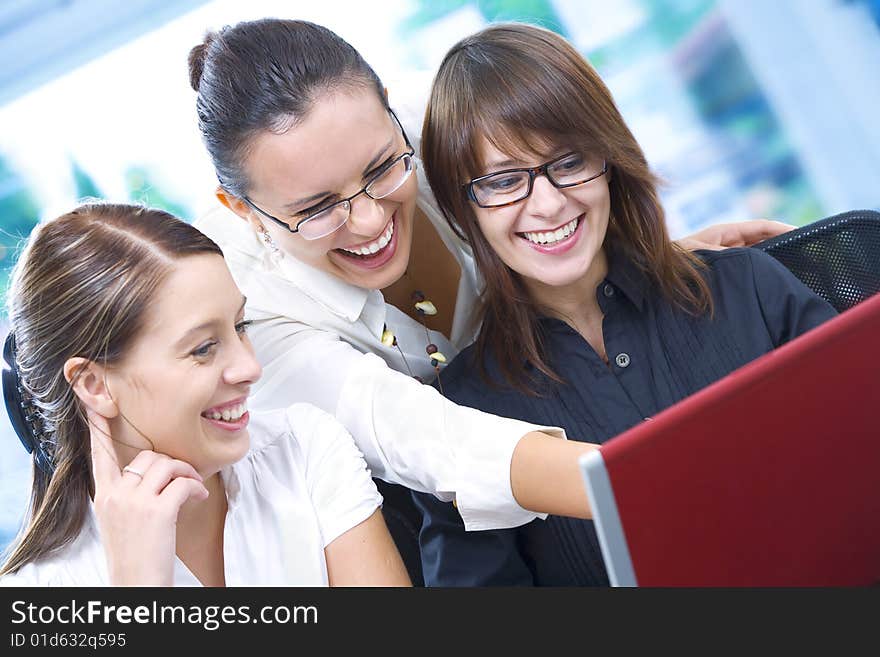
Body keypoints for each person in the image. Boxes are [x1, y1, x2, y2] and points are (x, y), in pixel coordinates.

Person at [188, 18, 795, 536]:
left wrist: (653, 265)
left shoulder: (447, 146)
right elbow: (422, 439)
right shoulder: (245, 311)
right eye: (318, 209)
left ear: (395, 114)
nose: (370, 218)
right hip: (437, 511)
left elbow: (554, 210)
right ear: (241, 208)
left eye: (381, 168)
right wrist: (665, 492)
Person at [411, 22, 838, 586]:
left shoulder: (747, 288)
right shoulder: (459, 418)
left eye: (568, 163)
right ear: (463, 206)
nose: (547, 204)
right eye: (504, 180)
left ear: (609, 159)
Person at [0, 202, 410, 587]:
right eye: (203, 349)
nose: (250, 369)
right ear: (94, 385)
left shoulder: (304, 451)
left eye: (241, 326)